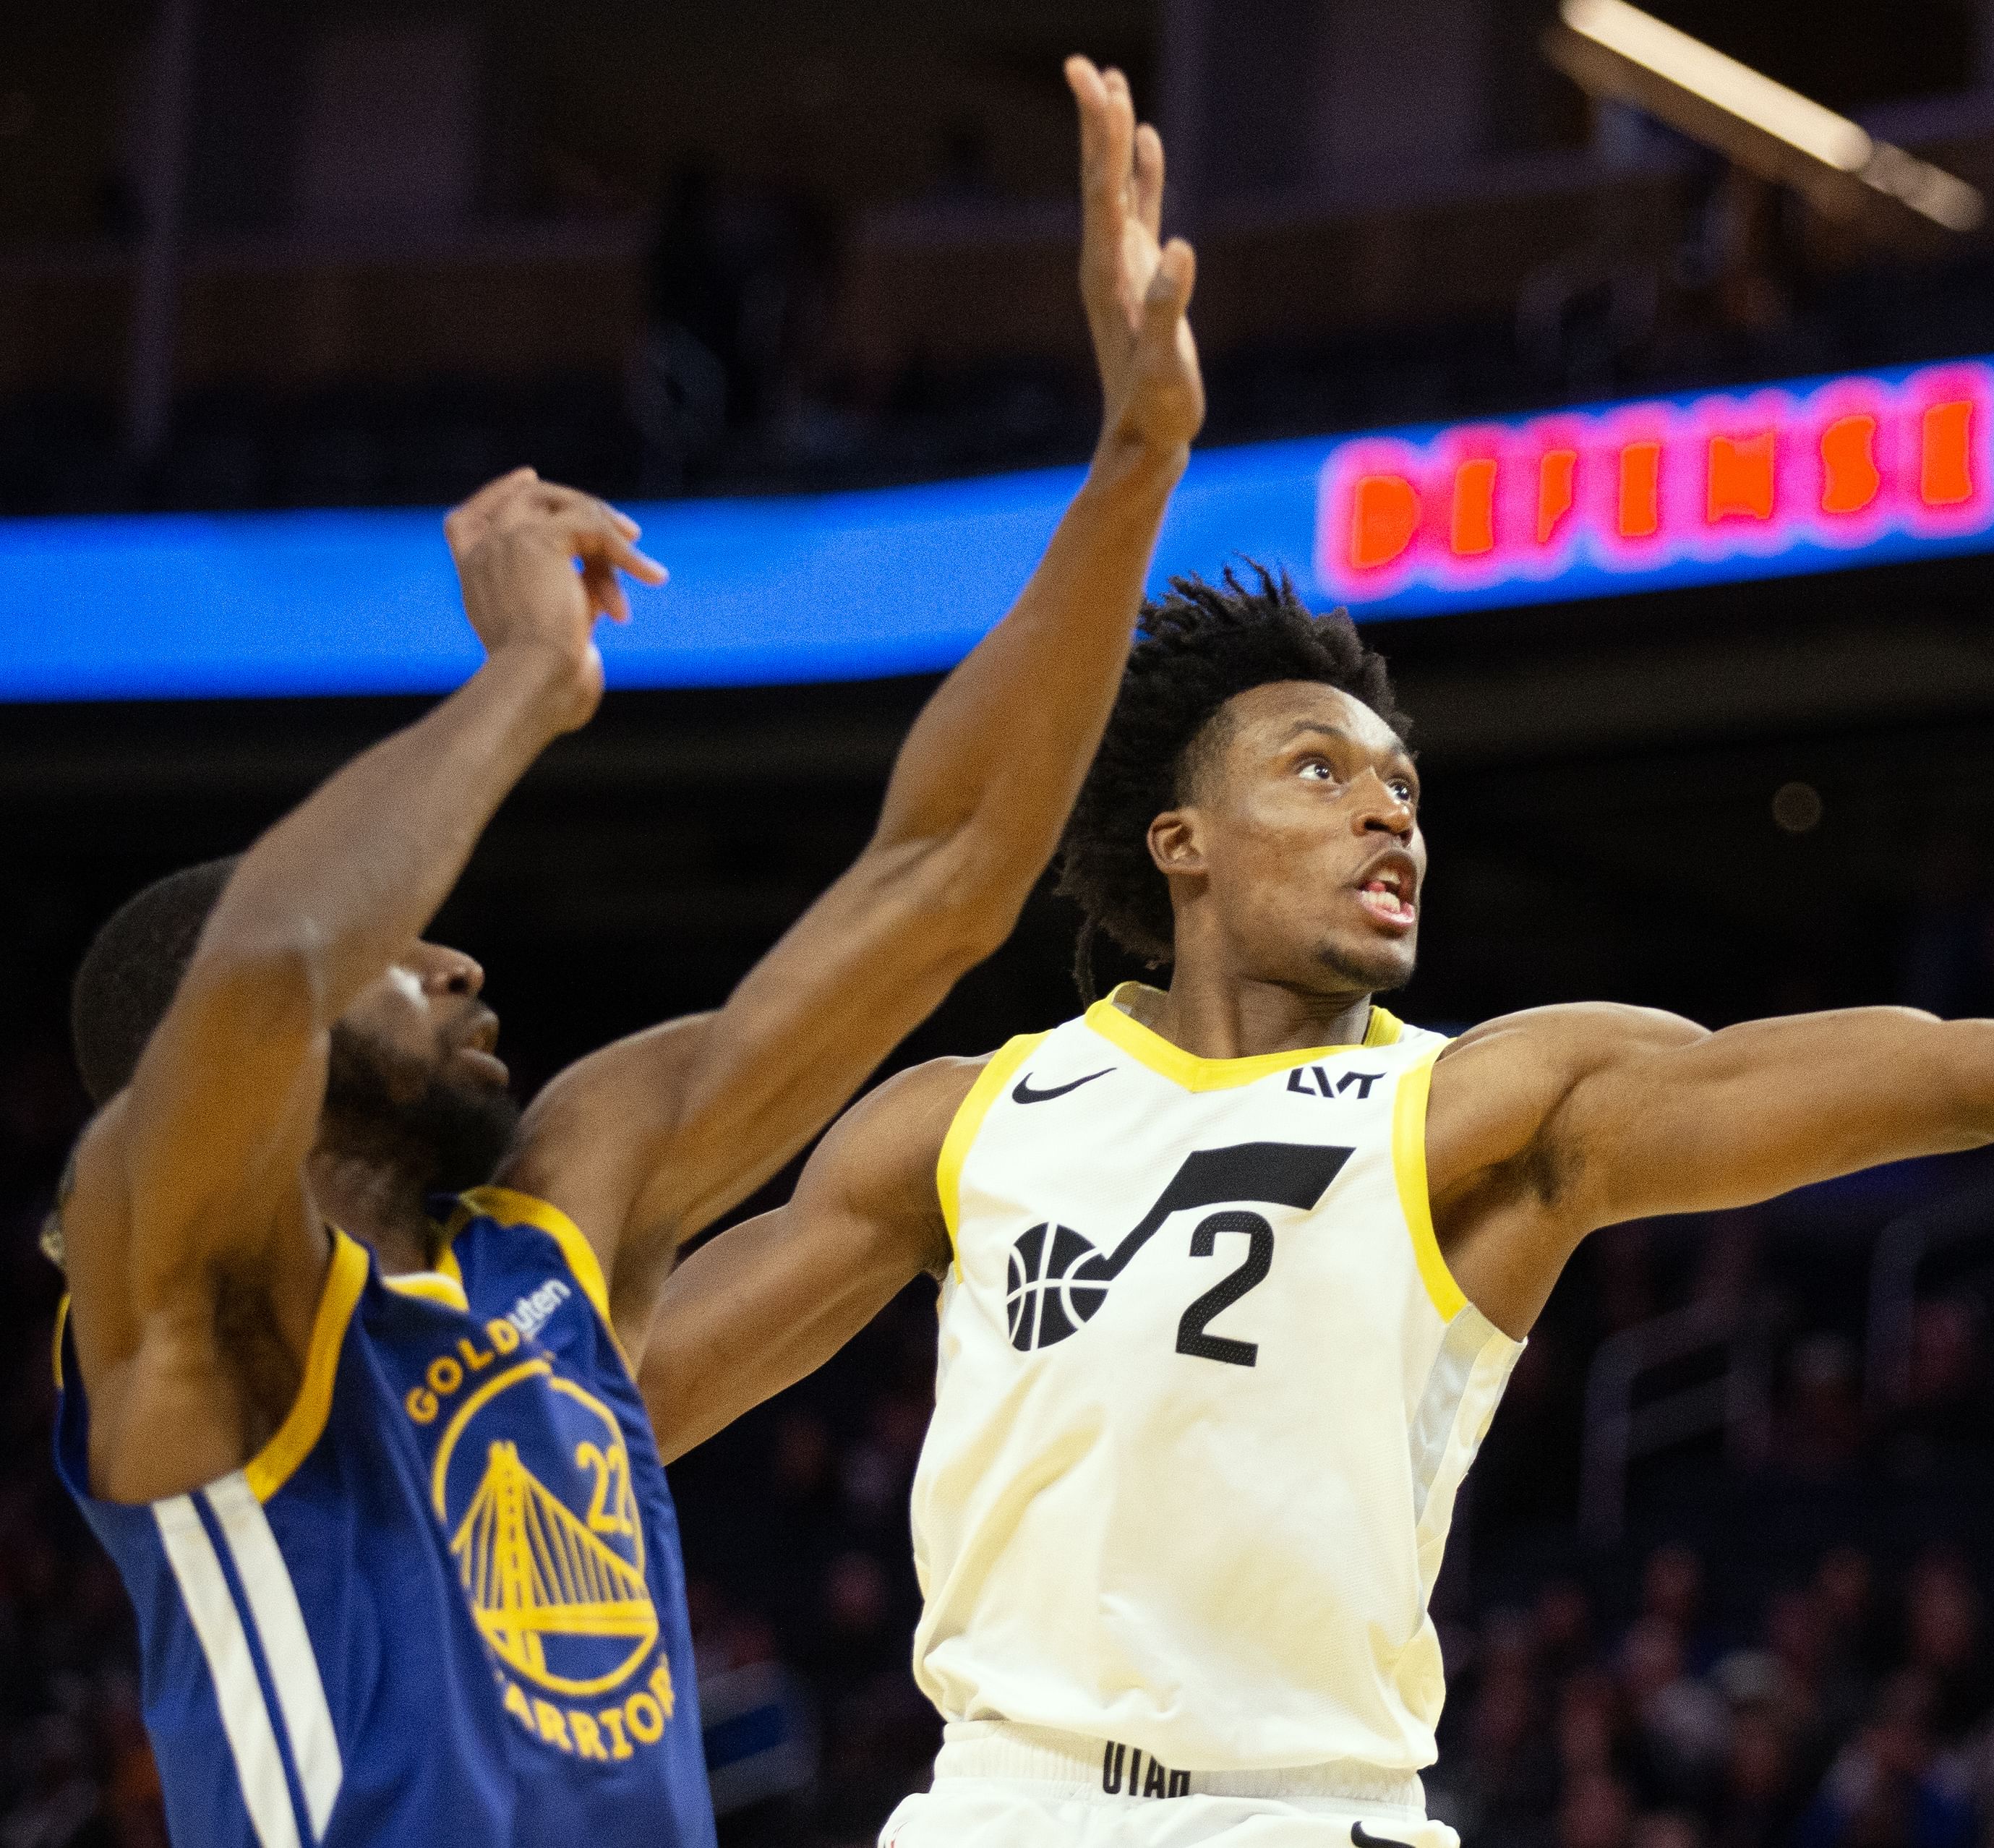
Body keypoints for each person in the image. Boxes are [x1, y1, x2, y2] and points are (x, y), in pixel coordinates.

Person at [640, 576, 1994, 1847]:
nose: (1388, 810)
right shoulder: (963, 1117)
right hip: (983, 1813)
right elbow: (608, 1420)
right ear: (1178, 840)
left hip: (1302, 1816)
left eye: (1406, 787)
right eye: (1318, 772)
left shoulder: (1486, 1104)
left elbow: (1972, 1067)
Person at [46, 56, 1199, 1847]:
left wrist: (1132, 472)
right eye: (409, 957)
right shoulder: (185, 1295)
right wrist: (525, 683)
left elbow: (947, 877)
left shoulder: (557, 1243)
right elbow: (269, 965)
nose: (463, 974)